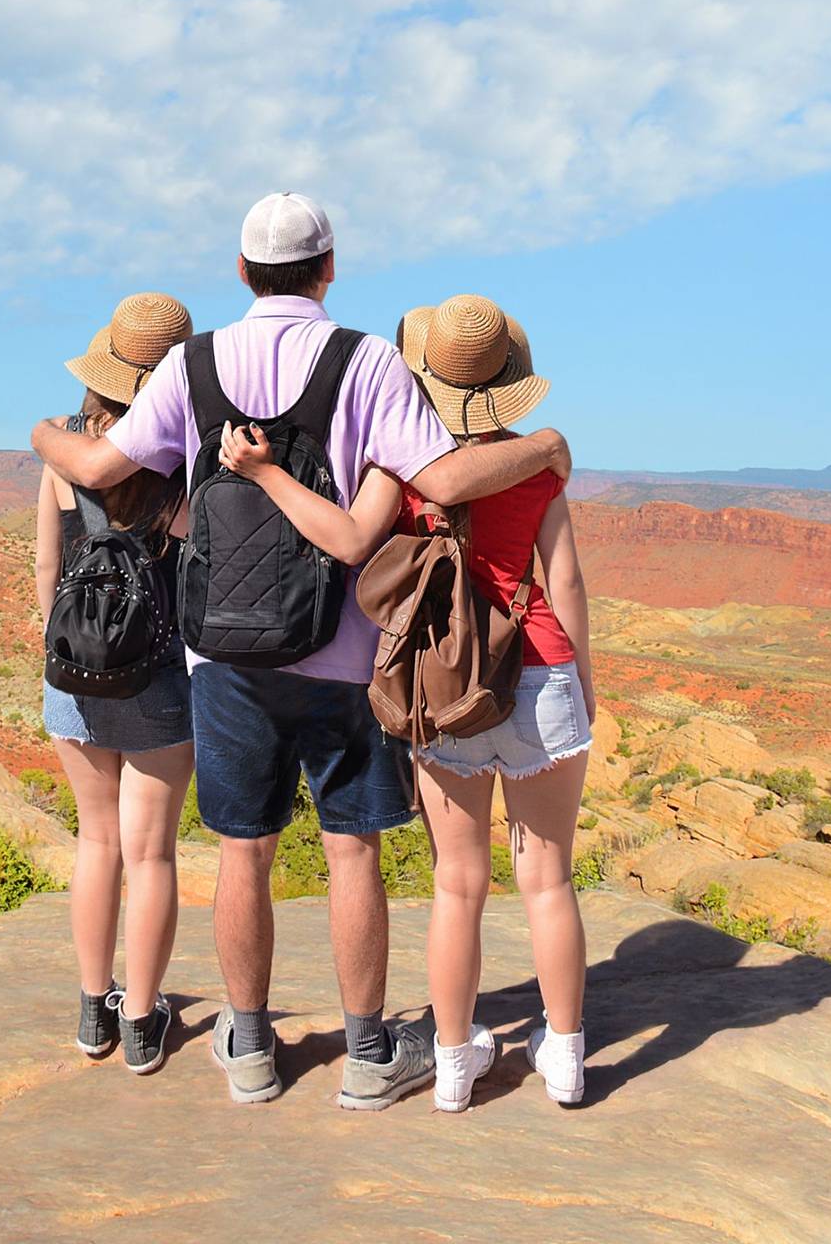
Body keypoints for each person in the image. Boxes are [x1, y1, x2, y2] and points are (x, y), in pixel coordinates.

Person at [32, 194, 572, 1110]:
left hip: (224, 659)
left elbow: (92, 470)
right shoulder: (365, 361)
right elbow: (440, 479)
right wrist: (550, 446)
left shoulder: (193, 366)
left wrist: (42, 434)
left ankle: (248, 1049)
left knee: (244, 854)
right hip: (345, 655)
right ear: (329, 268)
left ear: (241, 272)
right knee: (350, 853)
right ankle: (367, 1054)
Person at [217, 293, 593, 1111]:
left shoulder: (399, 468)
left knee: (458, 884)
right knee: (549, 880)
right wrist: (582, 684)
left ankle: (453, 1068)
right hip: (539, 672)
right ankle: (564, 1060)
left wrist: (263, 472)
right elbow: (561, 584)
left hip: (442, 685)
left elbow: (352, 541)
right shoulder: (538, 465)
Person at [37, 292, 197, 1076]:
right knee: (152, 853)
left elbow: (46, 566)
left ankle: (92, 1010)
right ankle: (141, 1022)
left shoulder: (65, 449)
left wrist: (66, 652)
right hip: (159, 677)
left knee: (95, 842)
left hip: (74, 673)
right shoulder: (182, 454)